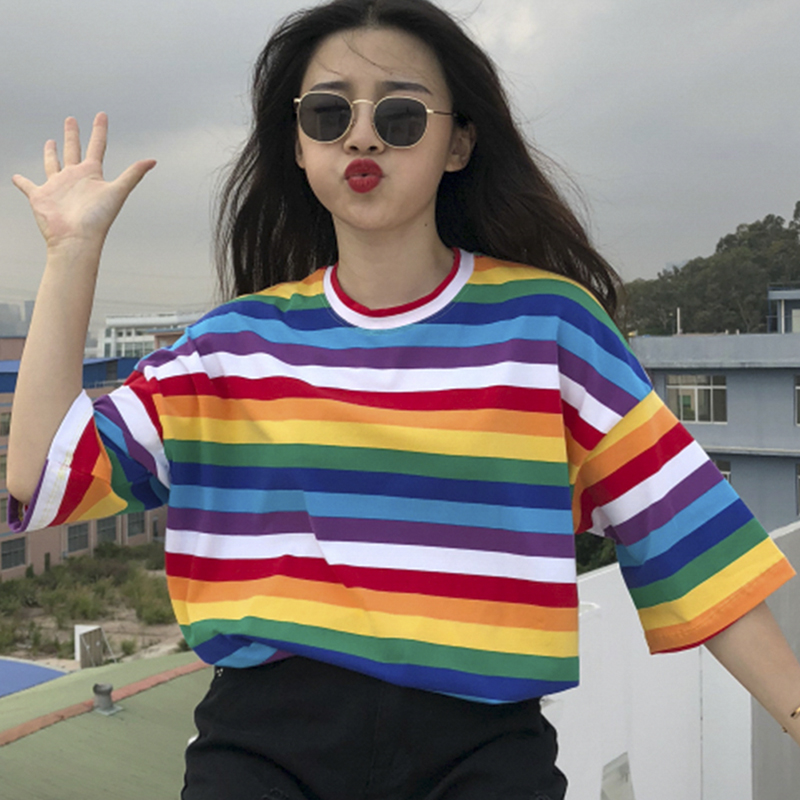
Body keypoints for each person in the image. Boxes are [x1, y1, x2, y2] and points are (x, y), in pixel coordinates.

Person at [7, 1, 800, 797]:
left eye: (400, 115)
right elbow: (43, 479)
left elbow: (688, 545)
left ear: (459, 143)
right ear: (299, 144)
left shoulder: (548, 327)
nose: (362, 137)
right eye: (328, 114)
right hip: (263, 751)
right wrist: (72, 251)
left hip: (481, 757)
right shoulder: (230, 347)